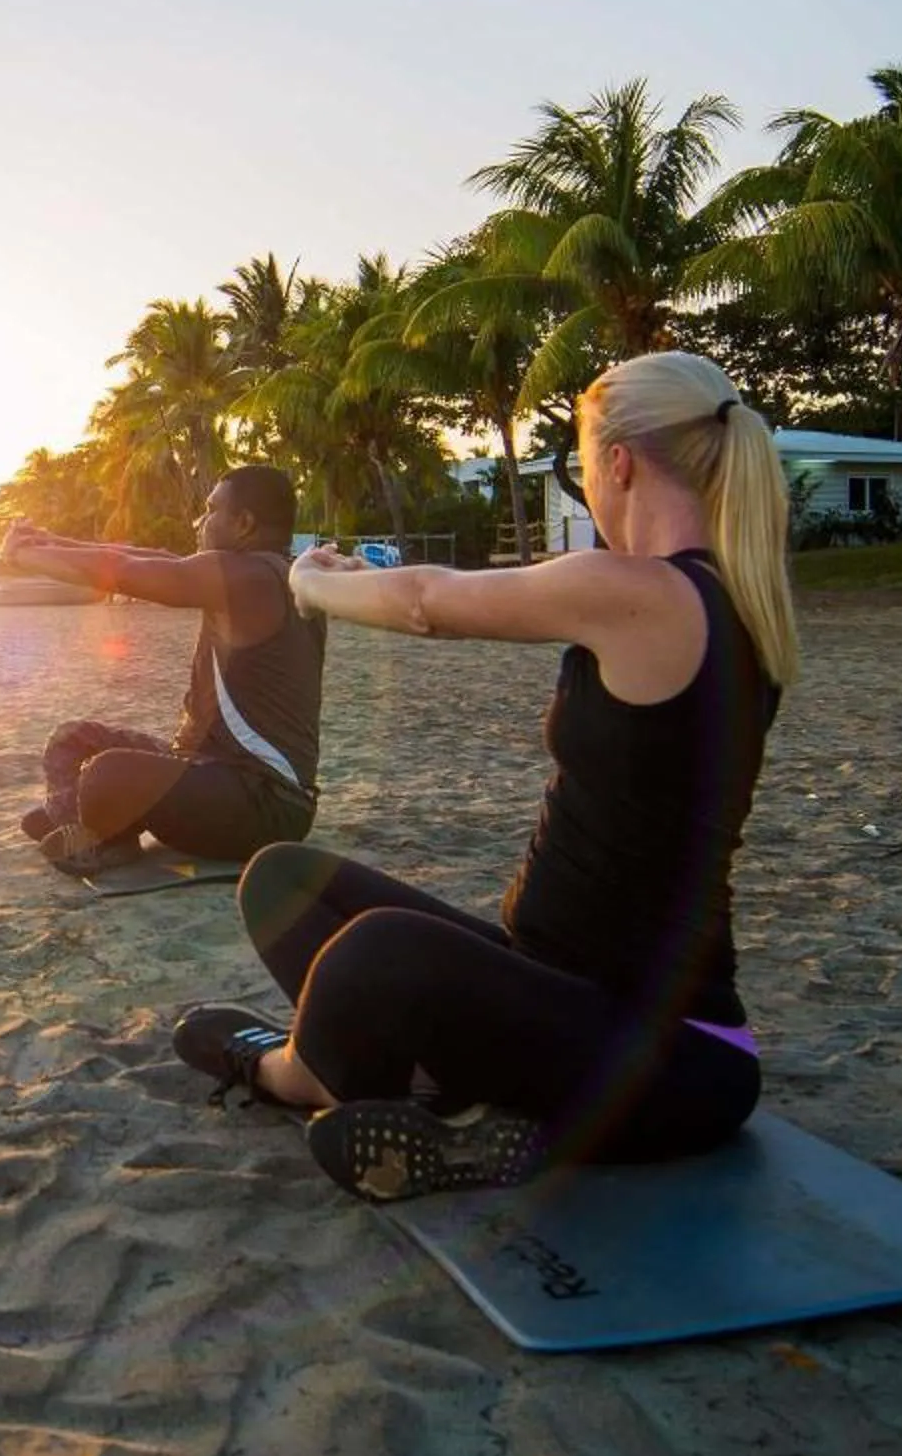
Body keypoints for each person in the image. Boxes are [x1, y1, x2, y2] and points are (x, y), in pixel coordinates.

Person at [170, 351, 799, 1201]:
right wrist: (366, 582)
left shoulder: (647, 592)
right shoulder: (706, 599)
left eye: (583, 463)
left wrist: (308, 582)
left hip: (665, 1052)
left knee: (377, 952)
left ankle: (293, 1071)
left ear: (618, 463)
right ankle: (460, 1104)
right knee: (284, 879)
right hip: (553, 991)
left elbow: (431, 604)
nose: (587, 485)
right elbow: (441, 590)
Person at [1, 464, 327, 874]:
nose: (201, 521)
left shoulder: (251, 578)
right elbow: (154, 558)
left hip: (265, 803)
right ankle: (88, 821)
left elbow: (129, 571)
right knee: (71, 740)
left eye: (211, 510)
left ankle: (97, 829)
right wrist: (52, 542)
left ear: (244, 523)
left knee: (105, 775)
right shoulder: (271, 573)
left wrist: (22, 554)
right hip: (216, 773)